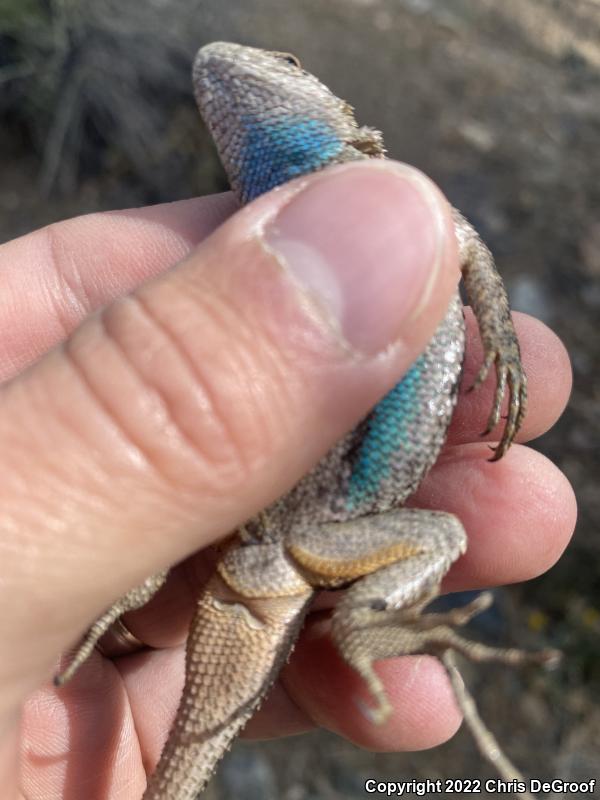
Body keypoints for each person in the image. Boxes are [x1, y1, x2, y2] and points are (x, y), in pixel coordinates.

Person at [0, 162, 575, 798]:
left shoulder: (419, 212)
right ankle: (132, 585)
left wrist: (500, 342)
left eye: (288, 59)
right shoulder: (291, 234)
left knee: (443, 533)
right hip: (262, 526)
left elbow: (476, 262)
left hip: (312, 542)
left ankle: (366, 619)